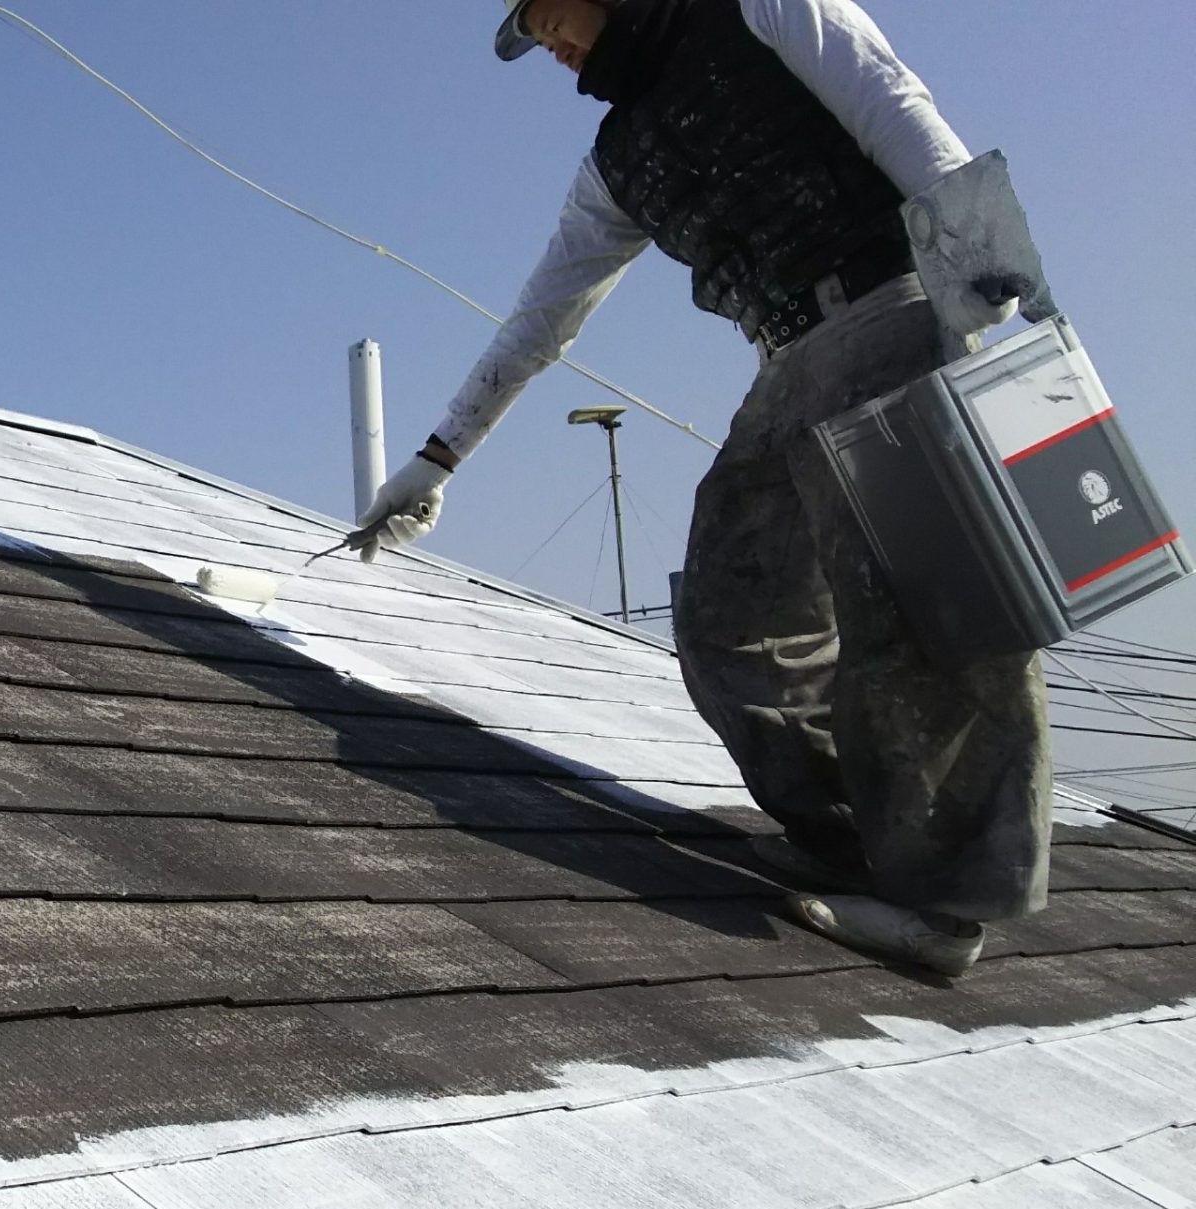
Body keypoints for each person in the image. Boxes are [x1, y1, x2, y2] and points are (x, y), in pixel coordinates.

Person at [355, 0, 1050, 977]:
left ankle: (945, 909)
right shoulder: (615, 163)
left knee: (928, 618)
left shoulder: (758, 6)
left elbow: (891, 102)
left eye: (548, 15)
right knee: (730, 617)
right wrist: (438, 458)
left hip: (894, 313)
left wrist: (987, 258)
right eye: (533, 36)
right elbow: (542, 319)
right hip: (786, 365)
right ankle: (853, 837)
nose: (550, 46)